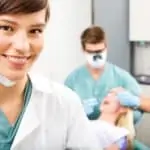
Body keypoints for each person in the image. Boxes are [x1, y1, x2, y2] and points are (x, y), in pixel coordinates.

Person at [0, 0, 104, 149]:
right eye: (6, 27)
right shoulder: (75, 77)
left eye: (35, 31)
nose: (22, 46)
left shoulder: (64, 103)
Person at [64, 25, 148, 149]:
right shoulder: (73, 80)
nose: (96, 56)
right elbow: (62, 118)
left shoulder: (121, 76)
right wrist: (78, 111)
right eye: (91, 52)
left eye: (99, 51)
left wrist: (136, 101)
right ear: (83, 50)